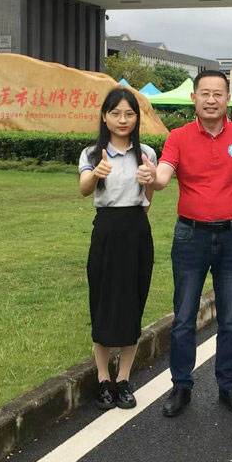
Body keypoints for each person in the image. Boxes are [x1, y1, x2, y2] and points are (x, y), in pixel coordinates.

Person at [148, 70, 232, 418]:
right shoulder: (179, 137)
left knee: (230, 318)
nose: (211, 100)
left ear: (228, 98)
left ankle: (228, 384)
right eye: (204, 93)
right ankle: (181, 385)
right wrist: (153, 177)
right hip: (190, 237)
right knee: (184, 317)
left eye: (218, 94)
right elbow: (163, 176)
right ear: (193, 98)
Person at [77, 87, 157, 412]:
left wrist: (149, 179)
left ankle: (123, 379)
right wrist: (96, 174)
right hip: (106, 231)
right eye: (116, 113)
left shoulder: (146, 152)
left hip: (136, 230)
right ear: (104, 117)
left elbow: (148, 200)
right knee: (102, 302)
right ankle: (102, 378)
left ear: (136, 118)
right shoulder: (92, 153)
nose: (123, 120)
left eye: (129, 114)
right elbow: (83, 189)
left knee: (132, 303)